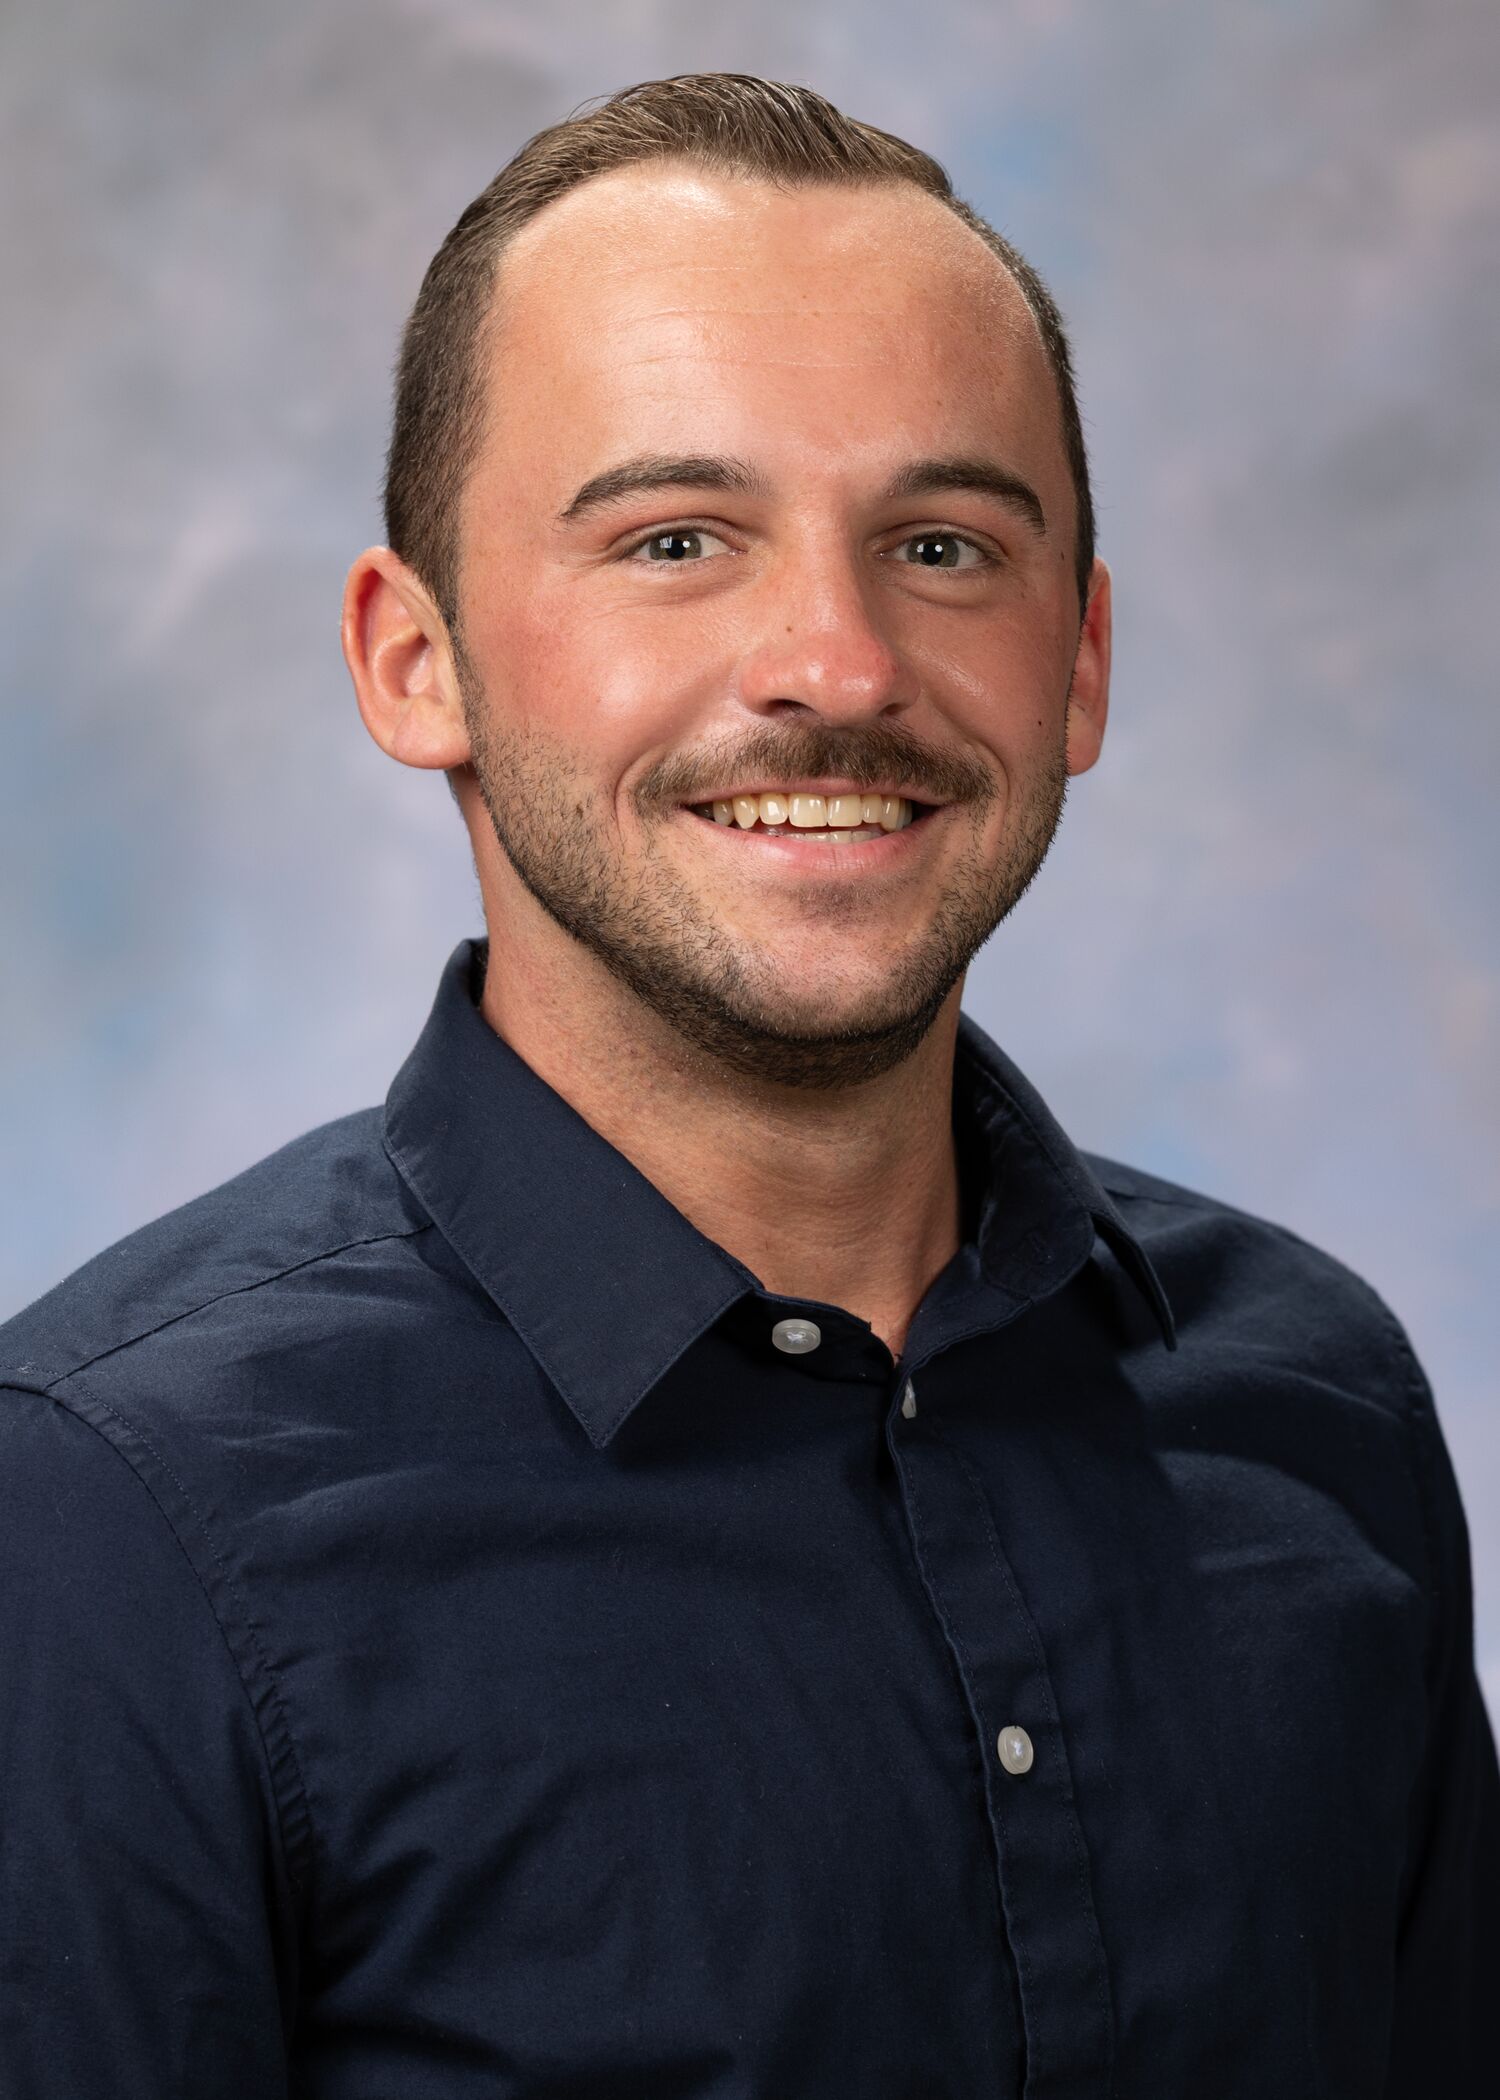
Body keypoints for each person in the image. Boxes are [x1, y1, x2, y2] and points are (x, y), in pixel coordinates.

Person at [2, 70, 1494, 2100]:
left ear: (1079, 661)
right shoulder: (99, 1526)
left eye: (946, 543)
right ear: (410, 659)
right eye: (679, 538)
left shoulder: (1317, 1404)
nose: (841, 660)